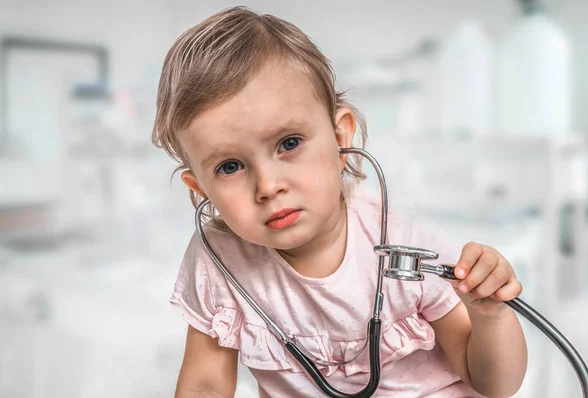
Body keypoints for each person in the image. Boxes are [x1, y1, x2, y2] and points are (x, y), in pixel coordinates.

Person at [152, 6, 527, 398]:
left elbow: (495, 385)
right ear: (200, 188)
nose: (268, 185)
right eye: (230, 166)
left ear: (340, 138)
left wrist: (490, 316)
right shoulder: (218, 260)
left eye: (289, 143)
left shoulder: (408, 252)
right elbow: (205, 386)